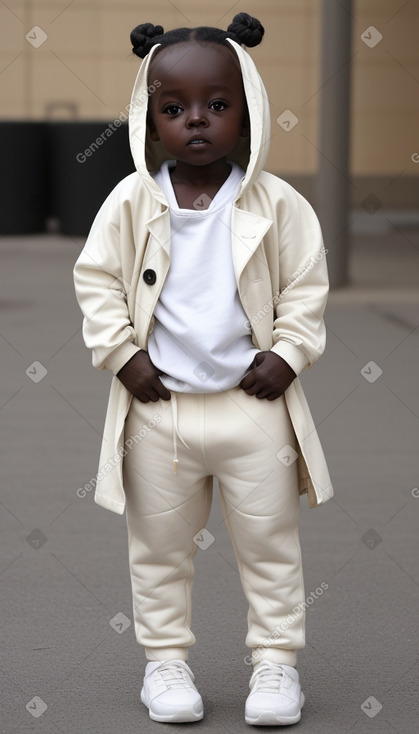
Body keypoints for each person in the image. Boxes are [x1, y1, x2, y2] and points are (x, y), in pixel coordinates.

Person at [73, 12, 333, 726]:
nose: (195, 120)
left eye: (217, 105)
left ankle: (276, 666)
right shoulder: (130, 203)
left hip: (254, 410)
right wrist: (123, 356)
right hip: (158, 413)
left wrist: (287, 353)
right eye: (173, 107)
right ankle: (164, 663)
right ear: (148, 118)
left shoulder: (278, 205)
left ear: (246, 113)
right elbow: (95, 281)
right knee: (157, 548)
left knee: (269, 544)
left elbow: (306, 287)